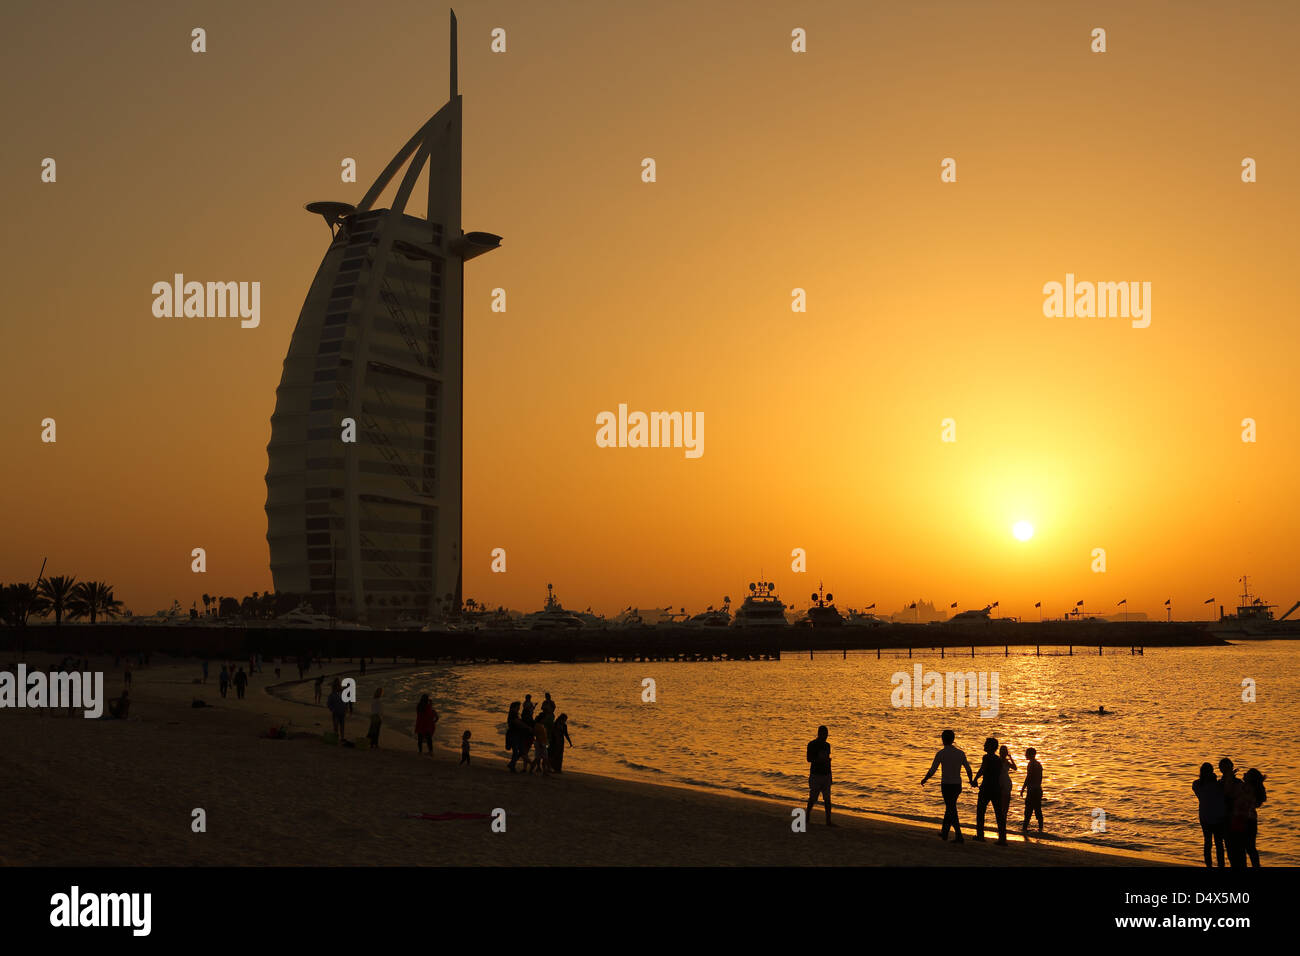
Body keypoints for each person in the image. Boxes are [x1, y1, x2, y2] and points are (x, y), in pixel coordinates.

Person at [921, 729, 975, 842]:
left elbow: (933, 769)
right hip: (957, 785)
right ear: (953, 740)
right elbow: (968, 769)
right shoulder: (960, 753)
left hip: (946, 785)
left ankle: (959, 835)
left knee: (951, 809)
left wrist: (925, 779)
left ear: (943, 739)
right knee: (950, 808)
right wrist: (971, 780)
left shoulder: (941, 753)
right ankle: (945, 833)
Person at [973, 737, 1008, 844]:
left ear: (990, 747)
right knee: (999, 814)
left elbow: (983, 769)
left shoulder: (986, 758)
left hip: (986, 787)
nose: (984, 746)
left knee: (980, 811)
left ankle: (980, 835)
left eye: (985, 744)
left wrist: (975, 779)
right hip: (996, 788)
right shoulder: (998, 760)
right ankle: (1002, 838)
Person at [1193, 762, 1227, 868]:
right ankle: (1221, 865)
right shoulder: (1216, 784)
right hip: (1217, 817)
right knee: (1218, 843)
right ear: (1212, 772)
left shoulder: (1197, 784)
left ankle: (1209, 865)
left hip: (1204, 816)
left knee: (1207, 842)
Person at [1219, 758, 1247, 867]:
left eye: (1225, 768)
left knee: (1236, 848)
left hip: (1234, 818)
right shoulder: (1222, 783)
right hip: (1230, 819)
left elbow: (1228, 794)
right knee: (1234, 848)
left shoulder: (1236, 783)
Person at [805, 725, 835, 826]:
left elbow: (827, 760)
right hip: (816, 774)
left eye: (827, 734)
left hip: (826, 774)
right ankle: (807, 816)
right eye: (824, 734)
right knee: (813, 798)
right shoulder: (812, 744)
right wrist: (820, 760)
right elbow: (809, 759)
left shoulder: (827, 745)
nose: (826, 736)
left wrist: (830, 776)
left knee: (827, 799)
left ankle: (828, 821)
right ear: (819, 734)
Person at [1242, 768, 1267, 867]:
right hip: (1252, 820)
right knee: (1251, 847)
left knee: (1244, 847)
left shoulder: (1247, 788)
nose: (1244, 774)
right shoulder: (1256, 789)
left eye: (1247, 774)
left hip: (1245, 820)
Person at [1020, 748, 1044, 833]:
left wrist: (1023, 789)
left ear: (1031, 754)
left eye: (1026, 753)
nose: (1025, 755)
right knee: (1038, 810)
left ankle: (1024, 829)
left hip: (1032, 790)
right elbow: (1040, 778)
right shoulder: (1039, 764)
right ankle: (1041, 829)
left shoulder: (1031, 764)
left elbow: (1028, 777)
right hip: (1038, 789)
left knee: (1028, 811)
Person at [506, 702, 530, 772]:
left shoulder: (514, 714)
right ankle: (512, 765)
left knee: (520, 751)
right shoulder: (513, 714)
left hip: (516, 734)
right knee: (516, 751)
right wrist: (527, 727)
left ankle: (512, 764)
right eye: (517, 707)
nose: (519, 708)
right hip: (513, 735)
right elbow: (517, 722)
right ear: (514, 707)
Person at [326, 679, 346, 745]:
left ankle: (342, 738)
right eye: (337, 685)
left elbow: (345, 702)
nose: (338, 686)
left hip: (342, 712)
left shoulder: (342, 692)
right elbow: (329, 704)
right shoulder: (332, 695)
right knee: (336, 726)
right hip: (336, 713)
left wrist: (346, 708)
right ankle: (336, 738)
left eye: (339, 685)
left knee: (342, 726)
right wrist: (333, 709)